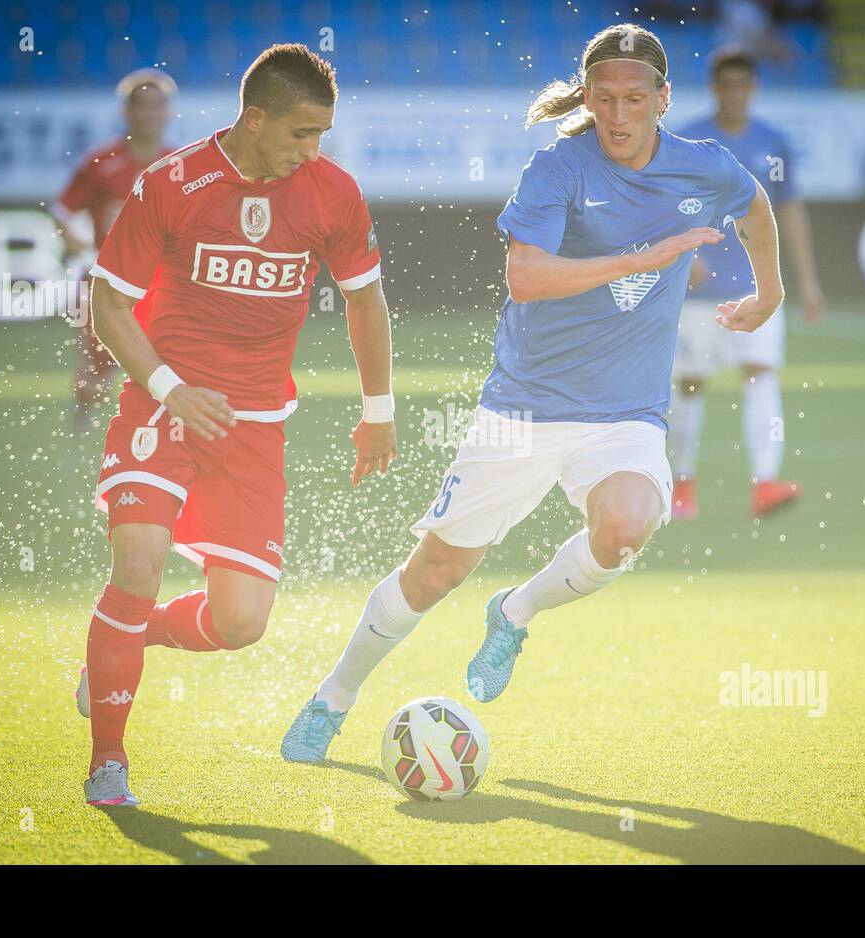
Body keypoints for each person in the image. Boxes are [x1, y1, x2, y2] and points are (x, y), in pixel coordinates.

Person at [281, 23, 783, 763]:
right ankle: (334, 695)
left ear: (663, 98)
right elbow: (527, 278)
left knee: (626, 526)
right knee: (435, 571)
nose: (618, 115)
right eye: (604, 98)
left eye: (635, 99)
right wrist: (646, 257)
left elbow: (755, 206)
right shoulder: (558, 169)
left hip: (624, 414)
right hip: (523, 408)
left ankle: (515, 613)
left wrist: (768, 292)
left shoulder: (702, 167)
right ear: (586, 97)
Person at [75, 44, 396, 807]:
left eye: (322, 135)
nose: (311, 150)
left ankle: (135, 634)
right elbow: (109, 304)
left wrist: (377, 411)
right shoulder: (174, 183)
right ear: (255, 119)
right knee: (137, 564)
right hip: (162, 406)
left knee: (241, 620)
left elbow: (364, 300)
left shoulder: (332, 193)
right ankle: (108, 760)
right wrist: (169, 386)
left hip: (254, 426)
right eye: (300, 133)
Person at [670, 47, 824, 519]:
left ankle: (766, 483)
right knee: (689, 383)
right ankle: (682, 486)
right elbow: (666, 202)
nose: (735, 93)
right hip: (698, 294)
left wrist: (807, 280)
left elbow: (789, 210)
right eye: (727, 85)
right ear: (715, 87)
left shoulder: (773, 141)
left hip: (758, 288)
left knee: (761, 374)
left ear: (753, 88)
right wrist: (684, 251)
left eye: (743, 85)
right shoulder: (689, 140)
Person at [51, 69, 178, 435]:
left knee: (171, 355)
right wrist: (80, 250)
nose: (151, 114)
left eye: (159, 106)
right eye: (143, 106)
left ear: (168, 112)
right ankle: (84, 414)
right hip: (110, 281)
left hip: (163, 282)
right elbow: (61, 210)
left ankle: (162, 425)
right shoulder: (102, 163)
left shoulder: (179, 164)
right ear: (127, 112)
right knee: (98, 360)